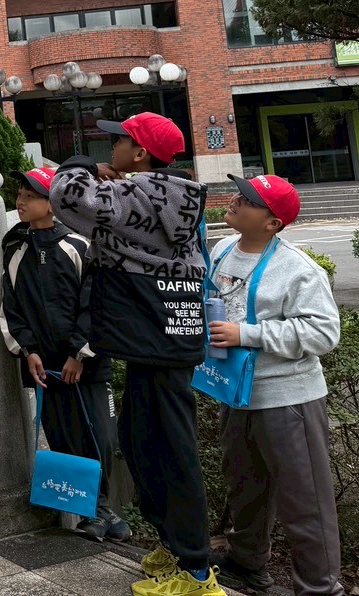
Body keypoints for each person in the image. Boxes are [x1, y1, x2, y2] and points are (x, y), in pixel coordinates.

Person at [50, 112, 223, 596]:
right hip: (158, 336)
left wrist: (83, 163)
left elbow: (66, 194)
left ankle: (196, 572)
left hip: (157, 338)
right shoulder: (163, 192)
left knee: (171, 449)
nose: (112, 148)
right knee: (142, 440)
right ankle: (174, 547)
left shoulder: (141, 192)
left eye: (120, 140)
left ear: (141, 153)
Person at [209, 175, 344, 596]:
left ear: (272, 223)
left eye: (249, 200)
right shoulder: (222, 249)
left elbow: (324, 333)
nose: (236, 200)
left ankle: (320, 588)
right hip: (235, 393)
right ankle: (247, 563)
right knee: (245, 486)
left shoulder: (298, 269)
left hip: (288, 399)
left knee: (305, 501)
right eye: (240, 192)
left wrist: (246, 334)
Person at [0, 165, 129, 543]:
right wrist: (27, 350)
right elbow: (10, 306)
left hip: (85, 364)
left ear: (53, 204)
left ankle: (105, 510)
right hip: (45, 366)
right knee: (62, 437)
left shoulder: (80, 245)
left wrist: (78, 353)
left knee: (100, 436)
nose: (20, 202)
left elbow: (99, 303)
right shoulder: (15, 248)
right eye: (20, 195)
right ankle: (96, 514)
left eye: (30, 196)